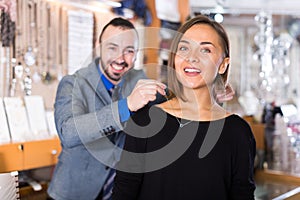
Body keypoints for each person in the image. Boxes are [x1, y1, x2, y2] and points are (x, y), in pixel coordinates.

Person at [47, 17, 234, 200]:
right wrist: (126, 106)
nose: (120, 58)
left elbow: (178, 102)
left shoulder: (139, 79)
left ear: (137, 53)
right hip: (74, 193)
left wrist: (210, 92)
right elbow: (68, 132)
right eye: (113, 48)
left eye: (129, 51)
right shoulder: (73, 84)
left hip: (120, 191)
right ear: (99, 46)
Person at [112, 15, 256, 200]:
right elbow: (124, 192)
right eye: (184, 48)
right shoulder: (145, 121)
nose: (192, 58)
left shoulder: (238, 132)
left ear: (223, 65)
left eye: (205, 50)